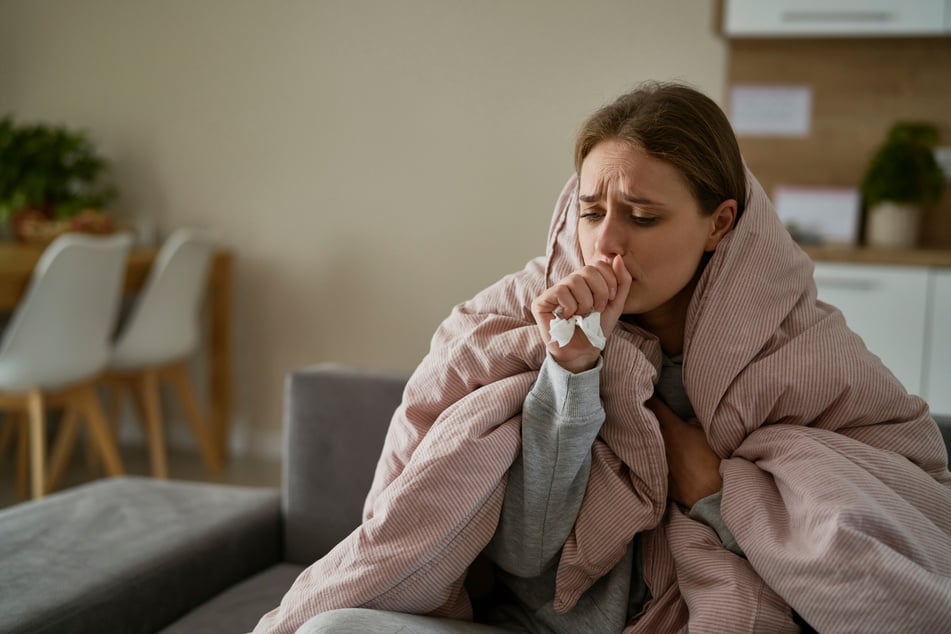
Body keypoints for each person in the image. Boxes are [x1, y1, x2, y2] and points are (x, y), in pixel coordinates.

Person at [254, 82, 951, 634]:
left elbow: (879, 540)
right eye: (589, 211)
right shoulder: (523, 320)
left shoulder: (802, 348)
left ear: (719, 224)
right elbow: (526, 554)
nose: (605, 244)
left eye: (641, 217)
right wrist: (572, 373)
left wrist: (714, 495)